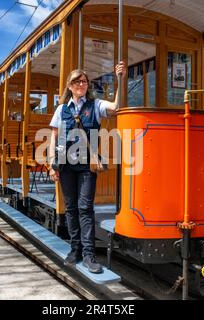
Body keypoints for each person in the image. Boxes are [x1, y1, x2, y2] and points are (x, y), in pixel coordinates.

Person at [48, 61, 126, 274]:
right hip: (65, 165)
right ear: (70, 86)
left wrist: (120, 79)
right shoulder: (62, 109)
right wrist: (51, 164)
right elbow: (54, 138)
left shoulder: (96, 105)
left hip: (86, 166)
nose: (81, 84)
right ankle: (75, 250)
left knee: (85, 208)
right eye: (77, 81)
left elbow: (116, 107)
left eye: (84, 81)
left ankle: (90, 255)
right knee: (71, 208)